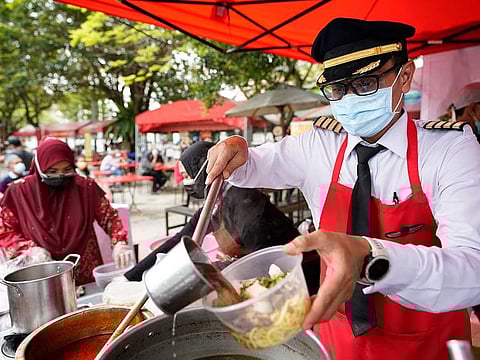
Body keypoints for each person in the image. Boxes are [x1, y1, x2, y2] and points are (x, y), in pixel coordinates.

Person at [205, 18, 480, 360]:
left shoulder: (449, 150)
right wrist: (235, 145)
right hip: (336, 337)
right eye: (337, 89)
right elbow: (250, 165)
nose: (349, 98)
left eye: (364, 83)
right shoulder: (320, 145)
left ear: (404, 76)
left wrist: (370, 257)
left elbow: (473, 270)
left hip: (426, 342)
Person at [124, 141, 320, 294]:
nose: (185, 182)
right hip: (269, 278)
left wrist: (220, 270)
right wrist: (132, 276)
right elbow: (182, 240)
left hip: (300, 280)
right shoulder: (216, 203)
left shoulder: (243, 199)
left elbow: (264, 260)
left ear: (204, 170)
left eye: (187, 175)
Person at [0, 138, 135, 285]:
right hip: (39, 273)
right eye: (52, 171)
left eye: (67, 170)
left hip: (84, 267)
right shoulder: (18, 192)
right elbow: (6, 232)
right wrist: (29, 250)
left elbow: (109, 217)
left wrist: (119, 242)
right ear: (39, 169)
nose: (60, 176)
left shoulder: (85, 187)